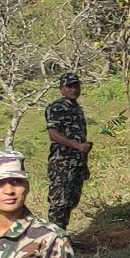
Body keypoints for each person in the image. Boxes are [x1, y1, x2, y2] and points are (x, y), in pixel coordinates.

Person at [45, 74, 92, 233]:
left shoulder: (77, 109)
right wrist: (77, 146)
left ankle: (62, 236)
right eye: (69, 86)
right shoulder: (57, 107)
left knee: (71, 200)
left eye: (76, 86)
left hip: (77, 163)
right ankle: (54, 240)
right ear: (61, 88)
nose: (73, 89)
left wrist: (84, 163)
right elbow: (53, 134)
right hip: (62, 162)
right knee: (59, 202)